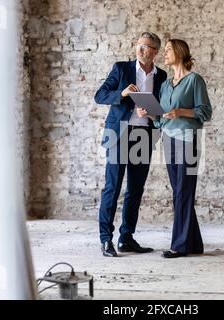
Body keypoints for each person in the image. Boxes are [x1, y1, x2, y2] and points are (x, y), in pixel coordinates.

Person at [94, 32, 167, 257]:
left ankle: (127, 238)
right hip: (118, 133)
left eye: (146, 47)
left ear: (155, 52)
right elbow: (100, 95)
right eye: (138, 45)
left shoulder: (162, 76)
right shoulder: (121, 69)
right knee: (112, 188)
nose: (140, 50)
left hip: (143, 134)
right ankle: (106, 240)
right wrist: (123, 93)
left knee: (135, 189)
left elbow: (161, 107)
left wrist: (153, 113)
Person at [137, 39, 212, 258]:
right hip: (168, 140)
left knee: (183, 192)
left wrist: (181, 112)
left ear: (179, 52)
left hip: (187, 140)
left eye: (168, 49)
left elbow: (205, 112)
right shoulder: (166, 85)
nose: (165, 53)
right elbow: (161, 120)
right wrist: (149, 114)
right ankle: (195, 244)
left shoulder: (194, 80)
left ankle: (178, 246)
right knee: (181, 192)